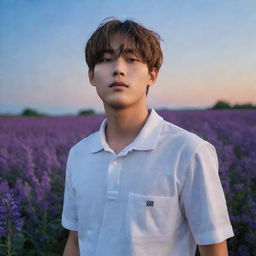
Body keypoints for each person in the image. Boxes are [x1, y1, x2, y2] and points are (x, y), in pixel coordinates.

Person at [61, 17, 234, 256]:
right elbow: (76, 243)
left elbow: (214, 249)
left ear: (152, 75)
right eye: (106, 59)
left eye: (131, 59)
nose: (118, 69)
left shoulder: (189, 151)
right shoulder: (79, 154)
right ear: (92, 76)